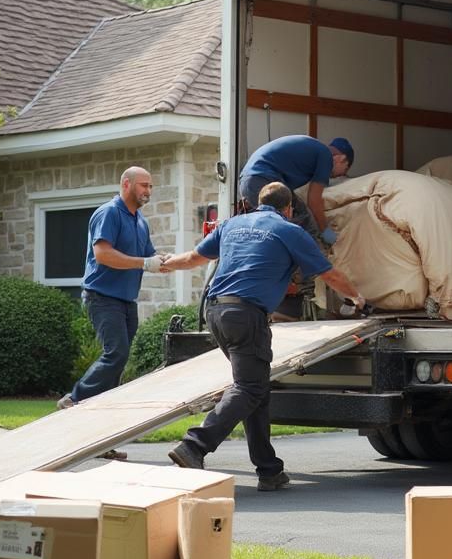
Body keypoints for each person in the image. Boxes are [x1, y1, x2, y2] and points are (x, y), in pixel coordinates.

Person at [159, 181, 365, 491]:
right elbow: (329, 274)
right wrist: (358, 299)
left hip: (216, 313)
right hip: (246, 316)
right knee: (250, 388)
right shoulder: (289, 230)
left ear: (258, 202)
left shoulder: (232, 225)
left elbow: (193, 258)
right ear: (289, 209)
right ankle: (195, 445)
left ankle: (269, 470)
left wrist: (165, 264)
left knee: (256, 389)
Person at [57, 168, 166, 460]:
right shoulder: (109, 213)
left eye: (151, 186)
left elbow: (151, 258)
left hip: (126, 301)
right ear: (126, 184)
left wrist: (177, 261)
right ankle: (75, 399)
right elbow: (103, 254)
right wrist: (145, 263)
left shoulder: (140, 221)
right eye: (144, 185)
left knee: (116, 367)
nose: (148, 191)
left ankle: (100, 441)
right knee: (115, 353)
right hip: (102, 298)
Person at [239, 134, 354, 246]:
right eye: (346, 168)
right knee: (303, 225)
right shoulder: (326, 156)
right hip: (263, 180)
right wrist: (325, 230)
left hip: (248, 180)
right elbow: (314, 201)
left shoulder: (314, 149)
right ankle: (314, 263)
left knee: (288, 221)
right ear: (341, 159)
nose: (342, 174)